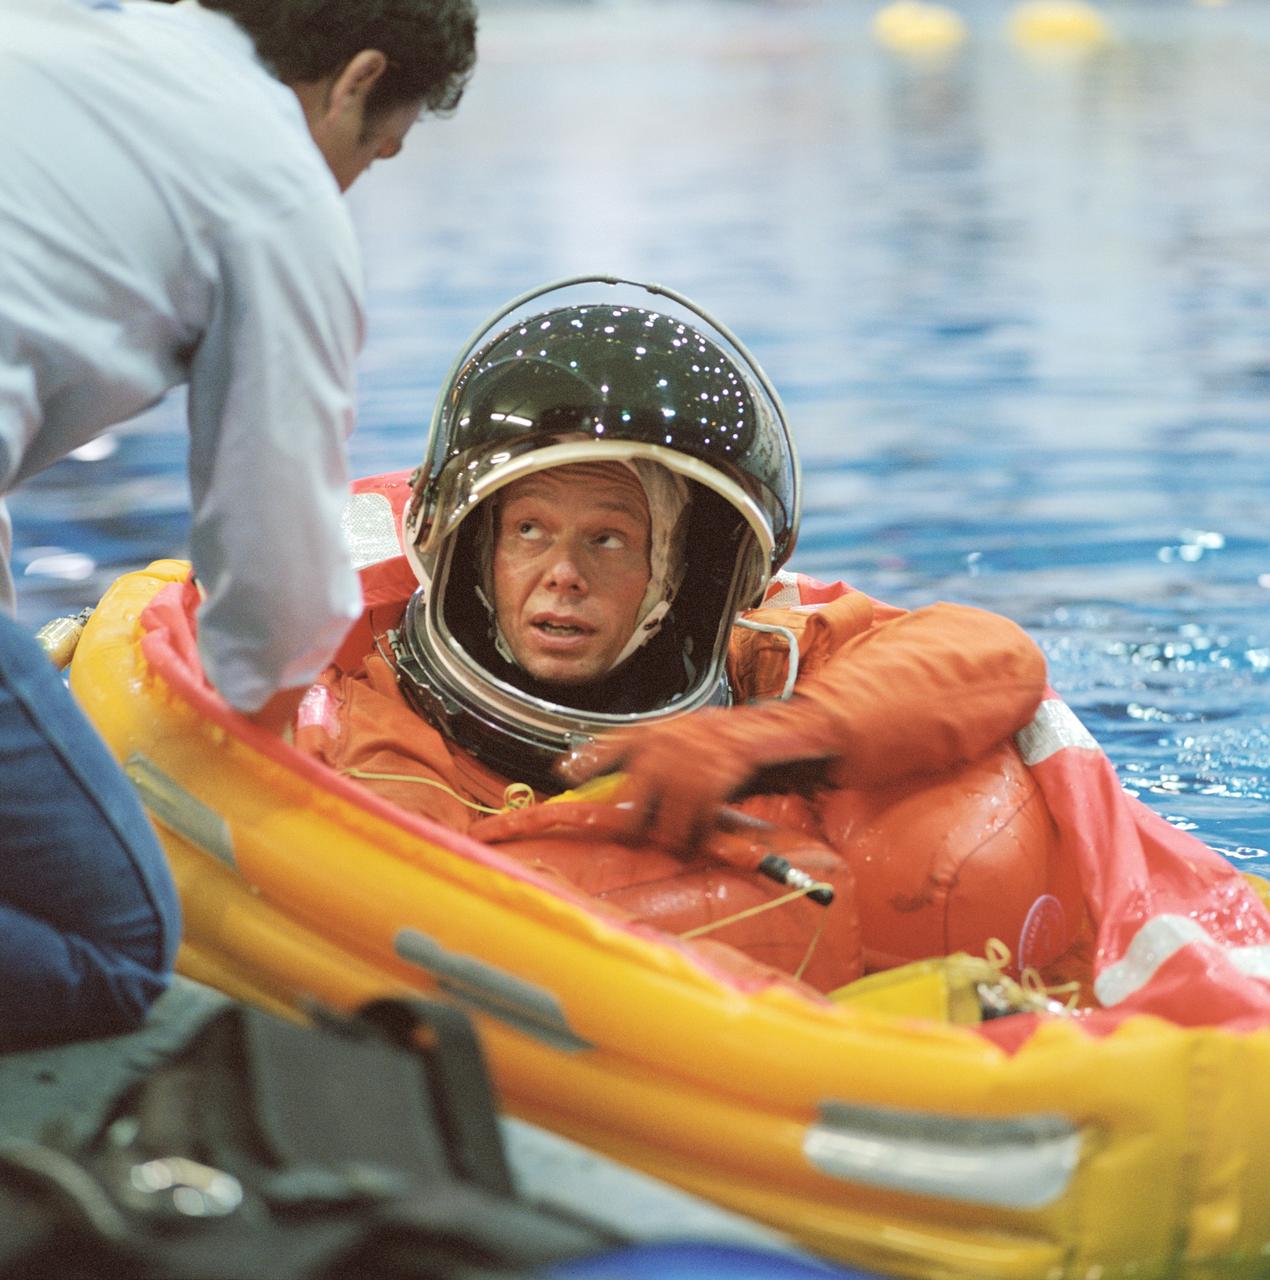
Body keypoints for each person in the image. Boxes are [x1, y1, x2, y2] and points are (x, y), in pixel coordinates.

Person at [294, 280, 1049, 988]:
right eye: (529, 530)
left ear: (671, 581)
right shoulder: (373, 733)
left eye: (609, 540)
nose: (563, 573)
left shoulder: (760, 664)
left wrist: (767, 740)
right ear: (476, 552)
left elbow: (995, 656)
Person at [0, 0, 477, 1048]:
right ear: (353, 80)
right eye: (374, 152)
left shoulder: (58, 34)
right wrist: (257, 808)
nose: (351, 183)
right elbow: (274, 570)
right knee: (121, 943)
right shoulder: (276, 191)